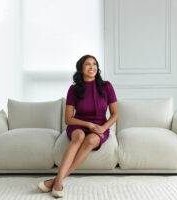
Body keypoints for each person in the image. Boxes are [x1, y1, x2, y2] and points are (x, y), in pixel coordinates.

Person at [38, 55, 118, 198]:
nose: (92, 67)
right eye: (87, 64)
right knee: (79, 137)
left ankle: (57, 181)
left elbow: (115, 114)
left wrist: (103, 128)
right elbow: (68, 119)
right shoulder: (74, 89)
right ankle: (58, 184)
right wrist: (88, 124)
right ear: (81, 68)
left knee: (91, 141)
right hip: (78, 124)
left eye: (94, 64)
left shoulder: (106, 86)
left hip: (100, 126)